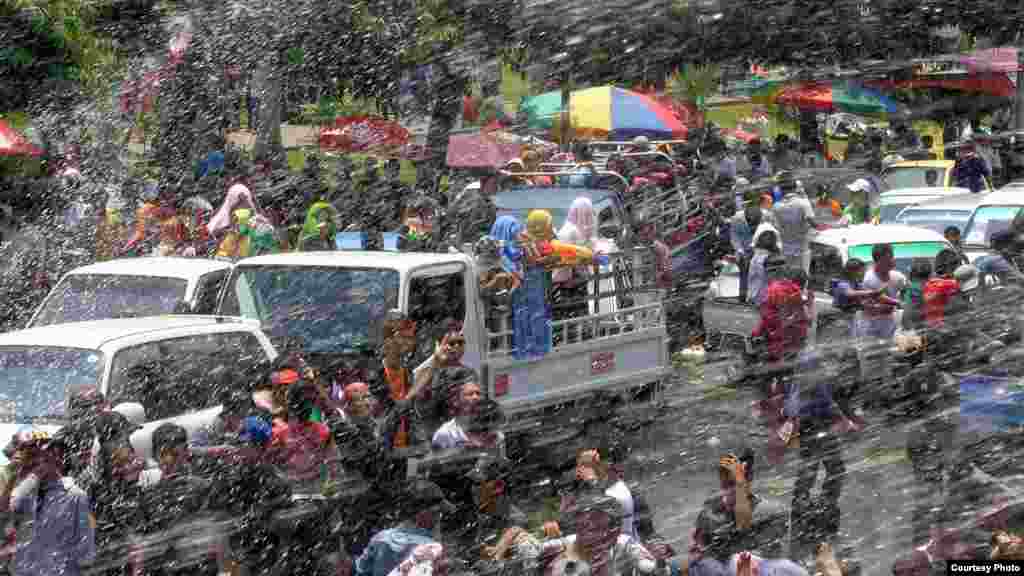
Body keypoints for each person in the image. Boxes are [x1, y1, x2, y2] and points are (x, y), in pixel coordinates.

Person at [782, 349, 859, 543]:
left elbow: (829, 403)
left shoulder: (813, 384)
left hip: (818, 430)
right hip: (813, 430)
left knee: (824, 470)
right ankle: (810, 509)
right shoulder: (802, 392)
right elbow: (795, 414)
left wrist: (845, 421)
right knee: (820, 470)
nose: (820, 371)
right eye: (816, 367)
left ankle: (814, 506)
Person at [207, 416, 292, 576]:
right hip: (239, 552)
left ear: (260, 447)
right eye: (239, 443)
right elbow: (217, 514)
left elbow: (282, 522)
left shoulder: (273, 478)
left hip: (265, 554)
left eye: (245, 443)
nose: (239, 448)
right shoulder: (227, 476)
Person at [4, 431, 95, 576]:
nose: (33, 462)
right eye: (29, 456)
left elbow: (86, 553)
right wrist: (16, 476)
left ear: (54, 456)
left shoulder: (75, 497)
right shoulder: (25, 494)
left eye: (36, 455)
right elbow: (4, 513)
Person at [689, 451, 785, 569]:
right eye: (725, 484)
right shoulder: (711, 509)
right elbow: (697, 548)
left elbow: (767, 559)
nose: (729, 491)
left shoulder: (768, 513)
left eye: (734, 484)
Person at [354, 479, 455, 576]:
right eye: (438, 513)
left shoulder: (380, 538)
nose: (438, 519)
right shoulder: (431, 550)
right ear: (424, 513)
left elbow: (361, 572)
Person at [772, 173, 819, 274]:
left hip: (786, 249)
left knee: (789, 278)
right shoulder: (803, 203)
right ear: (795, 188)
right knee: (802, 277)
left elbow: (775, 226)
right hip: (802, 249)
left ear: (780, 190)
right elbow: (813, 223)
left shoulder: (776, 206)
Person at [859, 243, 906, 340]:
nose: (891, 261)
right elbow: (877, 298)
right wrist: (898, 303)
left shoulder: (898, 277)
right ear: (877, 261)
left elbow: (908, 291)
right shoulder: (868, 279)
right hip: (871, 328)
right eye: (887, 259)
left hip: (890, 327)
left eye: (892, 257)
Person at [922, 249, 964, 329]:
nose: (960, 267)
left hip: (929, 328)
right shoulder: (950, 284)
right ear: (951, 265)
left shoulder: (929, 283)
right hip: (944, 330)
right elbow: (958, 308)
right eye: (959, 264)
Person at [730, 206, 764, 303]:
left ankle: (758, 298)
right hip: (743, 249)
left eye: (755, 224)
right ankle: (743, 298)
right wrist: (741, 252)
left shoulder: (766, 216)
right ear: (746, 218)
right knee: (744, 273)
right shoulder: (736, 219)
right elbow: (734, 237)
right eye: (751, 224)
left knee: (759, 274)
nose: (753, 227)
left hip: (759, 248)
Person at [747, 230, 780, 307]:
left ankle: (754, 299)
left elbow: (751, 277)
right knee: (763, 282)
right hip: (764, 262)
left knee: (755, 281)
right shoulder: (772, 253)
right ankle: (761, 301)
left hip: (755, 261)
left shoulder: (755, 252)